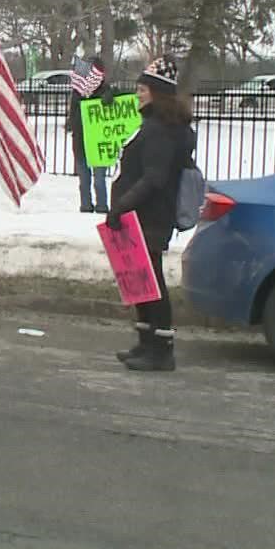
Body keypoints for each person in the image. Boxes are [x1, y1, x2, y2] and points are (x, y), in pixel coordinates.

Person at [107, 56, 196, 372]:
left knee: (152, 281)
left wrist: (122, 205)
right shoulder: (155, 125)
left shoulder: (160, 130)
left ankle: (162, 349)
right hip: (142, 216)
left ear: (157, 92)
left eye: (142, 89)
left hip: (151, 216)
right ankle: (146, 342)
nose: (138, 94)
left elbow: (154, 178)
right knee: (140, 281)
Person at [67, 56, 113, 214]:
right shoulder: (77, 93)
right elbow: (72, 116)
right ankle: (85, 206)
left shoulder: (106, 91)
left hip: (99, 142)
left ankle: (102, 206)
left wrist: (108, 98)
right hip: (80, 141)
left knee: (99, 179)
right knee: (84, 179)